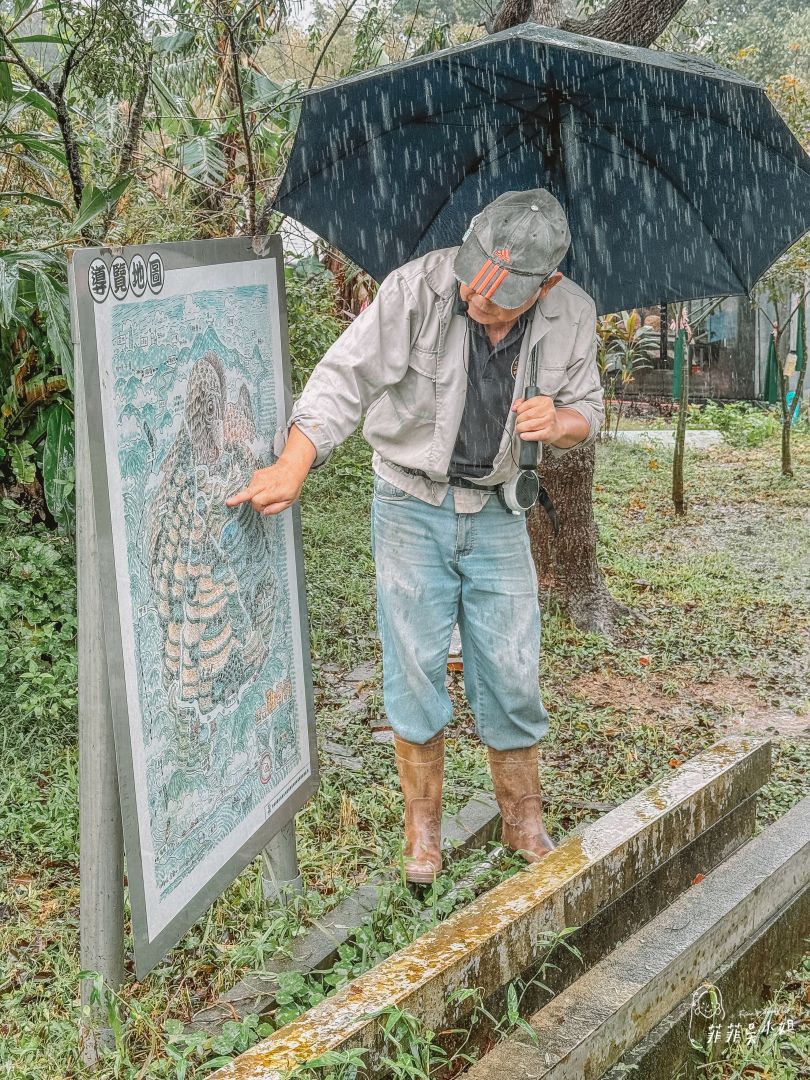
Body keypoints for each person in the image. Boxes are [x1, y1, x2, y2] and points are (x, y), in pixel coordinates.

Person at [226, 188, 604, 883]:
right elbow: (345, 377)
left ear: (545, 284)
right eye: (474, 280)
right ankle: (422, 831)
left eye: (500, 297)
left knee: (513, 665)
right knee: (414, 660)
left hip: (498, 511)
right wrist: (292, 463)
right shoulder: (418, 289)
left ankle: (524, 820)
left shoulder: (572, 313)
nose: (477, 300)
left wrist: (562, 421)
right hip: (409, 502)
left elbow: (589, 411)